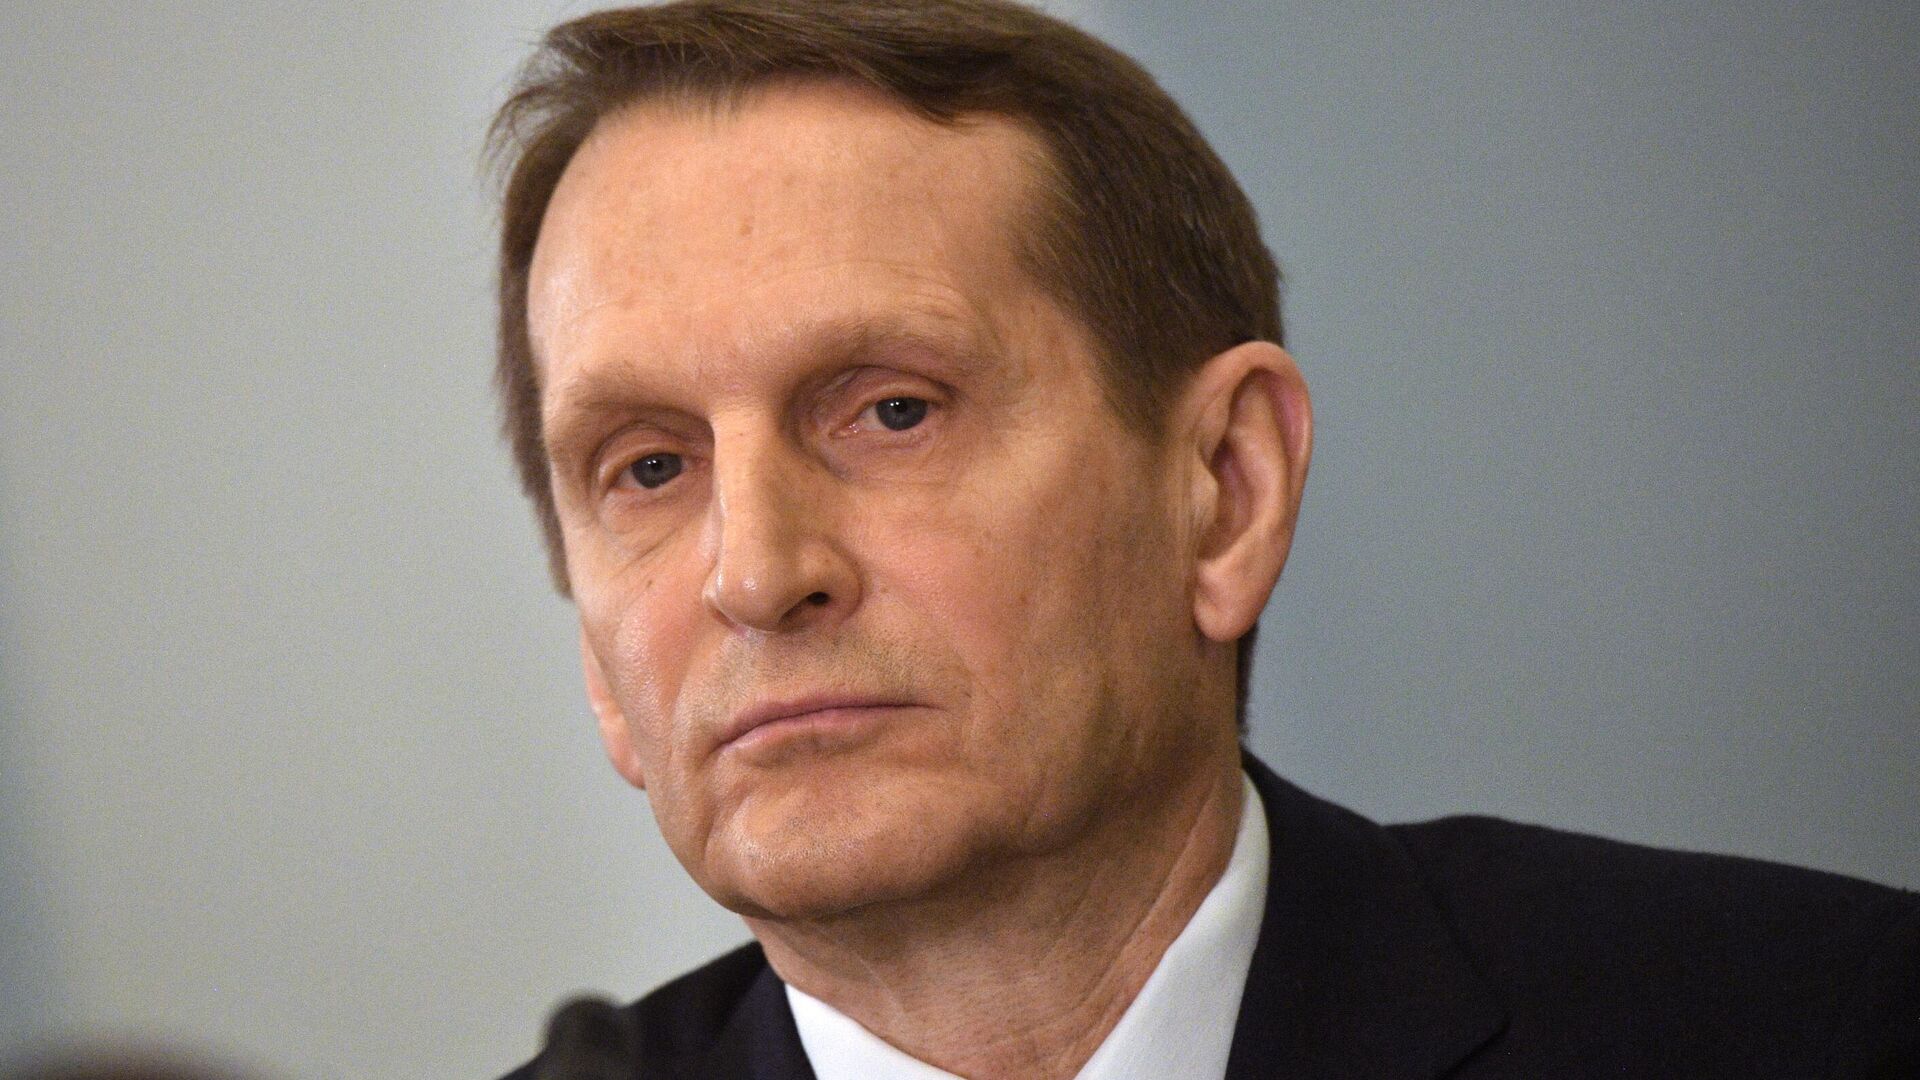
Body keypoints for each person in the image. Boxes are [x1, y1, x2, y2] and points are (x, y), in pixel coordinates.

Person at [486, 2, 1918, 1077]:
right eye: (650, 467)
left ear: (1226, 490)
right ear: (602, 667)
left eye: (894, 411)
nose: (754, 572)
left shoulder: (1822, 1025)